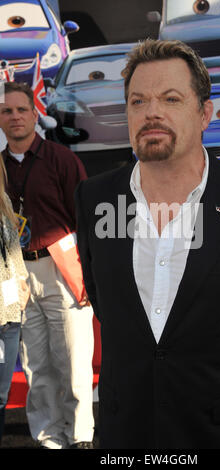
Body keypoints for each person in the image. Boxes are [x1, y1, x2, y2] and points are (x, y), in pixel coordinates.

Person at [75, 39, 220, 450]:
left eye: (171, 98)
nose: (152, 112)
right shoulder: (95, 199)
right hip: (127, 435)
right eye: (138, 101)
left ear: (204, 114)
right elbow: (107, 304)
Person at [0, 82, 95, 449]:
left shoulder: (62, 160)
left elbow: (85, 221)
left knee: (72, 360)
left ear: (34, 115)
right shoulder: (0, 167)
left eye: (21, 110)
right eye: (7, 111)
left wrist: (88, 272)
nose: (15, 117)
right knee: (36, 365)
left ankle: (81, 435)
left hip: (60, 269)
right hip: (17, 275)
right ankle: (48, 439)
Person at [0, 153, 30, 445]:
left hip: (8, 312)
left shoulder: (4, 202)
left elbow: (12, 250)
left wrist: (21, 280)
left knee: (1, 393)